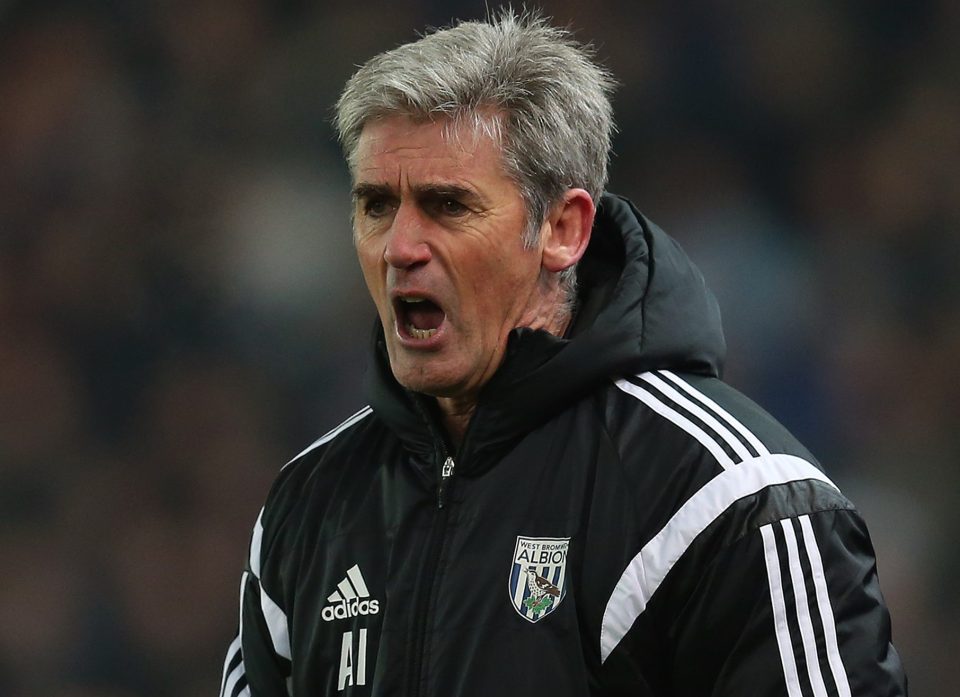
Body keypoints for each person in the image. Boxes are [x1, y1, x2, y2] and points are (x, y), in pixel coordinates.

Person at [219, 11, 907, 697]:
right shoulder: (309, 508)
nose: (400, 247)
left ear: (562, 229)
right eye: (376, 205)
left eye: (447, 206)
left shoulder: (730, 501)